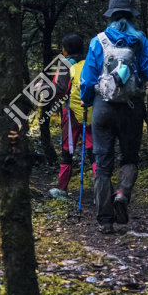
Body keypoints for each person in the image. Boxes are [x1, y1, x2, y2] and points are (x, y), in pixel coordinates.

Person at [80, 0, 148, 235]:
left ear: (111, 15)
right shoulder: (141, 41)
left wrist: (86, 99)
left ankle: (105, 220)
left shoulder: (97, 41)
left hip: (103, 107)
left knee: (102, 165)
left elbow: (88, 78)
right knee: (130, 158)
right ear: (132, 15)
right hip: (131, 108)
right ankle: (122, 194)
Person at [49, 34, 96, 198]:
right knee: (93, 149)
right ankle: (101, 191)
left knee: (67, 150)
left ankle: (62, 189)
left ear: (66, 49)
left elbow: (60, 89)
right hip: (91, 111)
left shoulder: (65, 64)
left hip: (71, 114)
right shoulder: (90, 61)